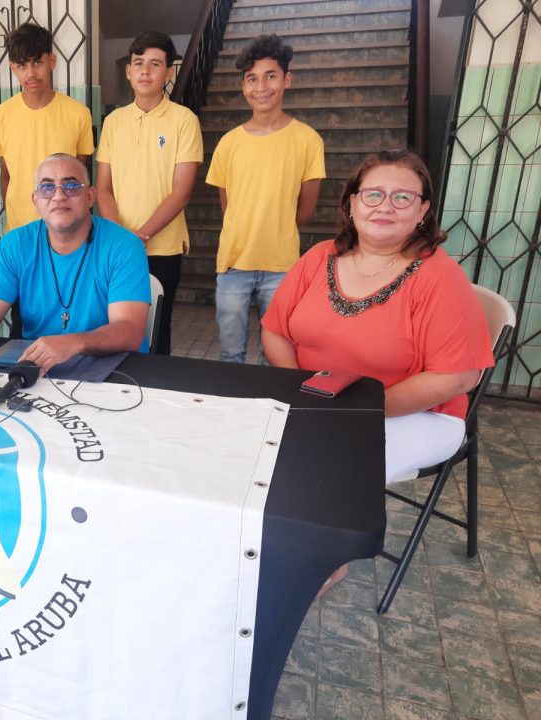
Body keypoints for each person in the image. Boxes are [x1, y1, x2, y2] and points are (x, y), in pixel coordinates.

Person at [261, 151, 494, 593]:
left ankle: (322, 560)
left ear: (423, 210)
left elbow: (457, 377)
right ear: (351, 203)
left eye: (402, 197)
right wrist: (299, 393)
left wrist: (358, 411)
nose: (385, 206)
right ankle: (265, 540)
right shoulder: (318, 258)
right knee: (253, 447)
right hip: (317, 401)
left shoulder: (439, 278)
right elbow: (275, 331)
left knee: (323, 464)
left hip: (419, 413)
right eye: (373, 194)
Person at [0, 153, 150, 375]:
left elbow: (129, 329)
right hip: (38, 369)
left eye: (71, 186)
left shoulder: (125, 246)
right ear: (35, 201)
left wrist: (73, 343)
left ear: (90, 197)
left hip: (117, 373)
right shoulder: (15, 244)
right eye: (47, 188)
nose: (59, 196)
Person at [205, 33, 325, 363]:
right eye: (251, 79)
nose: (261, 87)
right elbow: (227, 205)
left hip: (281, 266)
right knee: (231, 354)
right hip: (233, 264)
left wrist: (276, 227)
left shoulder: (307, 141)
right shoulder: (229, 143)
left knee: (275, 353)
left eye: (270, 76)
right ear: (243, 86)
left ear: (287, 79)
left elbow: (307, 207)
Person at [97, 30, 203, 355]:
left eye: (155, 64)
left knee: (157, 326)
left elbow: (180, 193)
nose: (145, 70)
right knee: (114, 321)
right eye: (138, 63)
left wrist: (140, 235)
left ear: (168, 73)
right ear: (128, 71)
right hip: (116, 244)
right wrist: (121, 236)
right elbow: (103, 187)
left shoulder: (184, 121)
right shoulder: (113, 121)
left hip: (162, 247)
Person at [0, 23, 95, 232]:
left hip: (66, 229)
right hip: (19, 228)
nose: (31, 73)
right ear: (12, 67)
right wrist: (14, 212)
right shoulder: (0, 115)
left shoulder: (78, 114)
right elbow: (6, 175)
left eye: (37, 62)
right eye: (22, 65)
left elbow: (79, 177)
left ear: (52, 61)